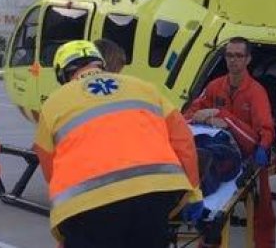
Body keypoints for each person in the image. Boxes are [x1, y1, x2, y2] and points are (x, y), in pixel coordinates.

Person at [33, 40, 202, 248]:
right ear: (100, 63)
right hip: (153, 195)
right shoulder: (144, 88)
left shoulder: (54, 104)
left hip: (90, 207)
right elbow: (183, 140)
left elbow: (50, 166)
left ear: (63, 73)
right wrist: (193, 192)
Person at [183, 37, 276, 248]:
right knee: (208, 200)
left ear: (248, 59)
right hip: (217, 153)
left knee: (264, 213)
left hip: (247, 153)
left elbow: (264, 130)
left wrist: (222, 116)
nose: (233, 60)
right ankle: (207, 239)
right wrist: (207, 118)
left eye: (239, 56)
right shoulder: (215, 86)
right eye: (230, 55)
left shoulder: (256, 92)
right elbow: (189, 114)